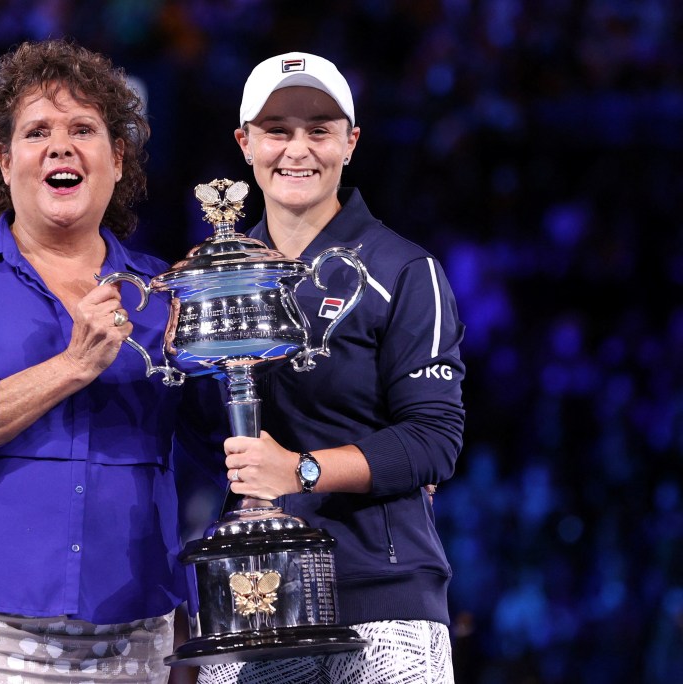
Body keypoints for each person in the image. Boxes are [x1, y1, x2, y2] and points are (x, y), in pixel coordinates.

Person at [0, 39, 185, 683]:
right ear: (4, 159)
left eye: (84, 129)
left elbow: (214, 434)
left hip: (132, 630)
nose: (60, 146)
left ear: (116, 157)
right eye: (37, 131)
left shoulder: (165, 291)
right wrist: (71, 367)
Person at [193, 52, 466, 684]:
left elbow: (434, 439)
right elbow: (198, 433)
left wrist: (300, 470)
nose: (298, 148)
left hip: (381, 593)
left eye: (319, 129)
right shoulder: (216, 281)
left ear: (351, 142)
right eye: (277, 130)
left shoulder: (403, 271)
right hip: (252, 595)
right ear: (245, 143)